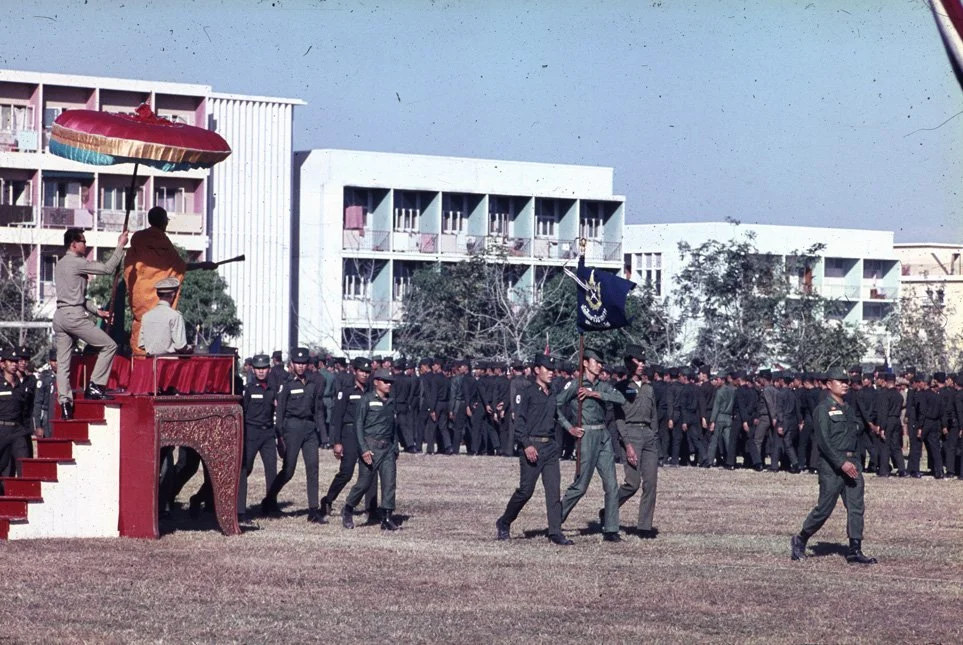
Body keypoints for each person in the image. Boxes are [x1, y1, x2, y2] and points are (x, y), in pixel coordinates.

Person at [790, 367, 877, 565]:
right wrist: (840, 463)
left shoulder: (849, 409)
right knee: (825, 508)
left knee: (856, 507)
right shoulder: (822, 410)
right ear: (829, 384)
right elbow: (823, 442)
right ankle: (801, 538)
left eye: (846, 381)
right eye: (840, 381)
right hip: (832, 466)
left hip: (852, 462)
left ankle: (855, 550)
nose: (845, 384)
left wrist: (852, 462)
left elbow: (857, 431)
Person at [495, 354, 573, 546]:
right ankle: (504, 522)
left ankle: (555, 532)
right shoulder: (527, 392)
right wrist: (527, 444)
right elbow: (519, 421)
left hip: (550, 448)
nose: (552, 373)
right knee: (525, 491)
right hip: (532, 446)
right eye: (548, 369)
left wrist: (570, 428)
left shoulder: (553, 392)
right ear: (537, 370)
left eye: (553, 370)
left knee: (553, 491)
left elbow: (556, 414)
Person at [53, 227, 128, 420]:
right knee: (109, 345)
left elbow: (76, 297)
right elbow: (108, 269)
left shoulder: (60, 264)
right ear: (73, 244)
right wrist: (120, 246)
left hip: (60, 316)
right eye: (83, 241)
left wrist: (98, 312)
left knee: (63, 364)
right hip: (74, 317)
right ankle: (95, 385)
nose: (85, 245)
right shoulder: (77, 263)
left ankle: (65, 404)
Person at [124, 206, 216, 354]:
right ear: (163, 222)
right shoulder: (163, 243)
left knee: (140, 337)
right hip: (158, 304)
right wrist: (203, 265)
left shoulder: (138, 239)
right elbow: (180, 268)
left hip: (140, 299)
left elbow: (129, 269)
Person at [557, 347, 626, 542]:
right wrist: (569, 427)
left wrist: (594, 394)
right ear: (585, 363)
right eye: (596, 362)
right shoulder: (574, 385)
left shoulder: (602, 385)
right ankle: (556, 521)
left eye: (601, 363)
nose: (600, 366)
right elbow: (555, 405)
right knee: (580, 486)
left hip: (603, 434)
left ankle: (611, 529)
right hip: (586, 435)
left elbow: (620, 398)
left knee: (611, 484)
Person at [261, 347, 325, 522]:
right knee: (288, 470)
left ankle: (313, 510)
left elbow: (318, 410)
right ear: (292, 364)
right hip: (292, 428)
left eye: (304, 363)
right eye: (298, 363)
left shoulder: (313, 383)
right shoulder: (287, 384)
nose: (301, 366)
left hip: (310, 429)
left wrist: (324, 435)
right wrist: (279, 437)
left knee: (313, 468)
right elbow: (280, 411)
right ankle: (269, 500)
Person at [341, 369, 401, 531]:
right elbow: (358, 426)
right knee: (364, 483)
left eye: (390, 382)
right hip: (370, 447)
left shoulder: (390, 401)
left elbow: (393, 427)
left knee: (389, 483)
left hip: (387, 448)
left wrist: (395, 447)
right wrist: (364, 449)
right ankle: (348, 508)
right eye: (385, 381)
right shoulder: (365, 400)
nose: (388, 384)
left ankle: (387, 518)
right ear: (376, 382)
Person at [320, 356, 377, 522]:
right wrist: (336, 442)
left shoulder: (372, 392)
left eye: (368, 372)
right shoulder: (346, 391)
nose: (365, 375)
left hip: (366, 435)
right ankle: (328, 500)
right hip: (349, 434)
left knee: (370, 471)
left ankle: (371, 509)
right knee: (346, 473)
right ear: (355, 371)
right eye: (362, 371)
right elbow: (337, 418)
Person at [613, 346, 659, 538]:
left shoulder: (649, 388)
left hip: (648, 435)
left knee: (651, 483)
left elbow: (654, 415)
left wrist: (654, 436)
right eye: (637, 361)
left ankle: (644, 527)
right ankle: (609, 509)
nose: (641, 365)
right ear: (629, 363)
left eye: (643, 361)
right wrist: (628, 444)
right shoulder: (621, 388)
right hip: (630, 434)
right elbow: (619, 418)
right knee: (632, 483)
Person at [237, 354, 278, 521]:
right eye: (258, 369)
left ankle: (270, 505)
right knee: (245, 469)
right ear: (253, 370)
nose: (261, 372)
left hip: (268, 433)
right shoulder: (249, 389)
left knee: (271, 470)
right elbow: (242, 412)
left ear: (269, 369)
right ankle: (240, 509)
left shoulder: (273, 388)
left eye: (264, 368)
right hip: (251, 432)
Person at [138, 277, 192, 355]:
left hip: (150, 362)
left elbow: (141, 344)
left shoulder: (146, 316)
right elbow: (180, 346)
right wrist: (189, 348)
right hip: (169, 363)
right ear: (173, 294)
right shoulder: (175, 316)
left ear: (157, 294)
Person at [0, 349, 31, 482]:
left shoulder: (20, 385)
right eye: (10, 361)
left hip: (18, 430)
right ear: (2, 364)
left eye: (15, 362)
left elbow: (26, 409)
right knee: (4, 467)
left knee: (24, 464)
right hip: (2, 429)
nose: (14, 364)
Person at [32, 348, 58, 439]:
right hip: (47, 418)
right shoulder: (45, 378)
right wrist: (38, 426)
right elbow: (38, 402)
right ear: (50, 362)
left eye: (58, 360)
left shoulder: (68, 377)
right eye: (54, 360)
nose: (56, 363)